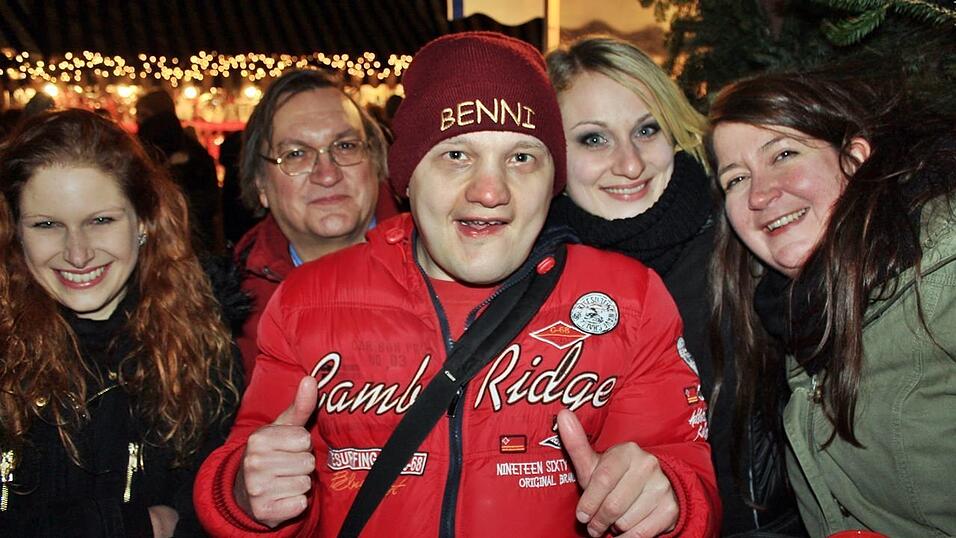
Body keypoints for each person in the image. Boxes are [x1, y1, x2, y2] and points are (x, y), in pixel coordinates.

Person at [194, 31, 719, 537]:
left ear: (551, 179)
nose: (490, 190)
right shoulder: (309, 302)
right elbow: (251, 468)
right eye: (456, 155)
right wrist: (245, 492)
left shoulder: (631, 299)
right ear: (406, 175)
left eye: (521, 157)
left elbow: (683, 466)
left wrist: (668, 498)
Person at [545, 36, 803, 536]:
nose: (630, 164)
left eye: (646, 129)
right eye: (593, 138)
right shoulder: (534, 276)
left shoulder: (747, 242)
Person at [707, 71, 956, 536]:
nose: (760, 195)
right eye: (736, 179)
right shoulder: (792, 317)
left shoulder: (943, 274)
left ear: (855, 159)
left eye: (784, 154)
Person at [0, 109, 241, 536]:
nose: (78, 254)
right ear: (16, 232)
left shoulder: (203, 346)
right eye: (47, 224)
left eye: (100, 221)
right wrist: (129, 526)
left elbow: (206, 517)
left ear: (144, 221)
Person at [232, 69, 401, 380]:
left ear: (376, 160)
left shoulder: (446, 264)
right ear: (260, 185)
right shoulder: (229, 311)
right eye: (296, 154)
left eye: (346, 146)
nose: (327, 173)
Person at [137, 89, 221, 252]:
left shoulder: (151, 148)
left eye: (143, 115)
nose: (139, 121)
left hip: (176, 240)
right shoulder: (192, 149)